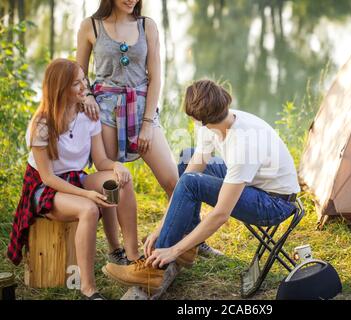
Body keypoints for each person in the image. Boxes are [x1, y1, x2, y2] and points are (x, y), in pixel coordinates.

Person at [102, 79, 300, 290]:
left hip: (273, 204)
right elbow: (191, 171)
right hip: (255, 185)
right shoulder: (217, 120)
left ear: (199, 119)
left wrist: (173, 250)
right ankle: (190, 239)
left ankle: (153, 270)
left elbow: (220, 214)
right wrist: (161, 227)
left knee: (191, 184)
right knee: (188, 159)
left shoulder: (243, 144)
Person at [76, 0, 219, 263]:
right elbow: (79, 75)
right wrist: (85, 96)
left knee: (174, 181)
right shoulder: (90, 26)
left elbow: (155, 77)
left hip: (143, 110)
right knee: (111, 183)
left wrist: (146, 124)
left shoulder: (147, 26)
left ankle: (195, 239)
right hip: (106, 111)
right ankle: (116, 249)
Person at [7, 59, 140, 300]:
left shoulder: (88, 114)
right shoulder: (42, 124)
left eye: (84, 81)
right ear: (60, 88)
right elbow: (47, 178)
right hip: (43, 188)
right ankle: (88, 288)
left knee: (118, 181)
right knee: (89, 208)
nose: (84, 88)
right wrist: (86, 194)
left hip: (75, 178)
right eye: (76, 83)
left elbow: (100, 161)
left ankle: (129, 257)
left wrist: (117, 165)